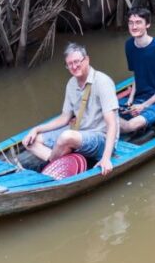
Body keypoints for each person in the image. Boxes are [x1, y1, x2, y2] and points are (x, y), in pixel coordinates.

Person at [22, 43, 118, 175]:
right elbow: (64, 117)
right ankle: (60, 160)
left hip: (100, 138)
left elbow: (111, 124)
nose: (74, 66)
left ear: (87, 60)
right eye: (70, 64)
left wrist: (106, 159)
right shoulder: (71, 83)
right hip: (78, 131)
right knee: (29, 141)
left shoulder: (102, 82)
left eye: (77, 62)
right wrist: (36, 129)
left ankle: (52, 164)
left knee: (66, 137)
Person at [120, 8, 155, 134]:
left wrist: (144, 105)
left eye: (138, 22)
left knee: (129, 126)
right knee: (111, 112)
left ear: (147, 24)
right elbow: (136, 75)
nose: (134, 26)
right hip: (139, 99)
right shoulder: (129, 45)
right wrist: (130, 99)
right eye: (131, 22)